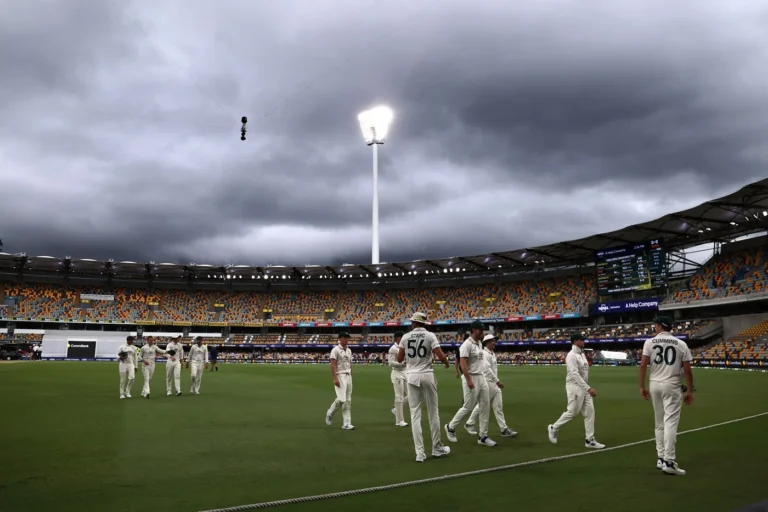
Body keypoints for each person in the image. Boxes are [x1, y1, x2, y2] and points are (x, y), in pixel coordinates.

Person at [639, 316, 694, 476]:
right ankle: (669, 461)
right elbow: (688, 370)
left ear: (659, 326)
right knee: (670, 423)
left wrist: (642, 386)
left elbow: (643, 364)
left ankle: (661, 457)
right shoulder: (681, 344)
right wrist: (690, 391)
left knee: (659, 423)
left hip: (654, 384)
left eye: (655, 325)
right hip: (672, 385)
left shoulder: (649, 342)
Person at [397, 312, 452, 462]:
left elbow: (399, 358)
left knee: (415, 415)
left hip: (411, 375)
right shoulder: (430, 335)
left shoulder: (406, 337)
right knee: (433, 413)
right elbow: (440, 355)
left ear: (414, 323)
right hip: (427, 374)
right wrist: (446, 362)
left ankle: (420, 453)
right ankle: (436, 448)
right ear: (424, 323)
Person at [548, 333, 605, 449]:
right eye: (581, 340)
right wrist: (588, 388)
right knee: (573, 412)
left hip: (584, 387)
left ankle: (589, 440)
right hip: (574, 387)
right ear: (575, 341)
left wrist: (586, 388)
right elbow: (574, 374)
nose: (584, 342)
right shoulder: (571, 355)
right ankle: (553, 428)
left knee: (589, 413)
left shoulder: (581, 354)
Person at [445, 321, 496, 447]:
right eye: (480, 330)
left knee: (485, 406)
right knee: (468, 406)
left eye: (483, 330)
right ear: (473, 330)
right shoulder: (466, 345)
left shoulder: (478, 343)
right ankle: (450, 427)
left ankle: (483, 436)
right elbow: (463, 363)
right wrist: (468, 380)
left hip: (481, 377)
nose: (482, 333)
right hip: (471, 377)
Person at [465, 333, 517, 438]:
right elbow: (487, 370)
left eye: (494, 340)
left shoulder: (492, 353)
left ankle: (504, 429)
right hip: (488, 383)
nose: (494, 342)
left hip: (494, 384)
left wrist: (496, 382)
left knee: (498, 407)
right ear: (486, 343)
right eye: (492, 341)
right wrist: (497, 381)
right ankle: (469, 423)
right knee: (481, 406)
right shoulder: (484, 353)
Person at [325, 332, 354, 430]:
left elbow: (350, 363)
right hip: (340, 375)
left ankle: (346, 423)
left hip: (348, 375)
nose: (347, 339)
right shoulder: (335, 350)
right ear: (340, 339)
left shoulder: (349, 350)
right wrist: (335, 378)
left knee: (348, 400)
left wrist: (351, 374)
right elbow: (332, 364)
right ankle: (330, 413)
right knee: (342, 399)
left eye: (347, 338)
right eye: (345, 338)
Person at [388, 331, 408, 427]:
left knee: (412, 394)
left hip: (406, 372)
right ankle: (399, 421)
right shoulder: (393, 349)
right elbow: (390, 363)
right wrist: (402, 364)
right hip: (397, 373)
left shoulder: (405, 347)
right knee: (399, 396)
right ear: (396, 338)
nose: (403, 339)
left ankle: (396, 410)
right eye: (401, 337)